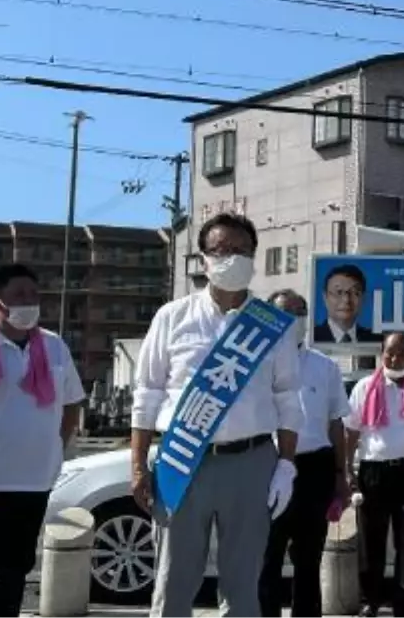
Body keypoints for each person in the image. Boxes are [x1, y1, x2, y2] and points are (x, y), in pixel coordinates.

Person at [131, 213, 304, 618]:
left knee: (244, 585)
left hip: (251, 462)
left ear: (254, 258)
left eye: (242, 251)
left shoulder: (272, 326)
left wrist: (286, 465)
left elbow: (288, 398)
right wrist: (138, 465)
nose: (232, 259)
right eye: (222, 250)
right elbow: (147, 394)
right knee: (174, 581)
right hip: (182, 459)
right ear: (203, 259)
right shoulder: (172, 317)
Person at [0, 264, 86, 618]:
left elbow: (71, 403)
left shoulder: (54, 347)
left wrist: (56, 448)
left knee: (12, 573)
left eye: (34, 294)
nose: (29, 301)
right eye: (19, 294)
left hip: (32, 480)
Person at [259, 289, 351, 618]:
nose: (294, 320)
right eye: (286, 313)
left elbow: (336, 424)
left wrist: (342, 475)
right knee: (267, 555)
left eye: (300, 312)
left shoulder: (325, 367)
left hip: (315, 469)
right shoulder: (256, 365)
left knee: (309, 558)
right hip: (268, 467)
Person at [344, 331, 404, 618]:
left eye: (402, 352)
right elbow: (351, 431)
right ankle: (372, 601)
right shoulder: (365, 386)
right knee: (371, 542)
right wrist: (347, 471)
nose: (394, 357)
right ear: (382, 354)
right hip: (373, 471)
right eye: (389, 352)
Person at [315, 264, 379, 343]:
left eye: (354, 292)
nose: (346, 299)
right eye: (338, 292)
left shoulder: (376, 340)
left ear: (363, 298)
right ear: (325, 297)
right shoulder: (311, 338)